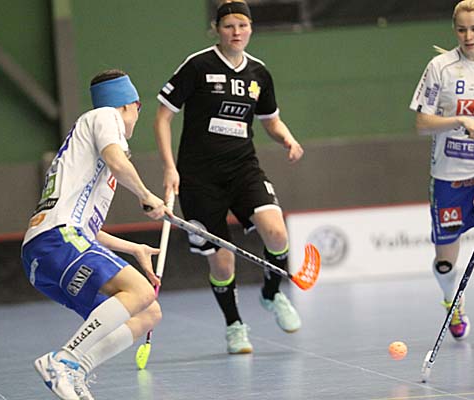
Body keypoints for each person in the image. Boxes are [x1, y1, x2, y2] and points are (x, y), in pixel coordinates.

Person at [154, 0, 305, 354]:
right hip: (199, 177)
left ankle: (272, 294)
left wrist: (287, 138)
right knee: (222, 261)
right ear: (216, 30)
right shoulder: (198, 65)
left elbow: (270, 120)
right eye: (228, 26)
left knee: (276, 232)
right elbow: (162, 116)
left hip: (243, 169)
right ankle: (235, 325)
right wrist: (169, 167)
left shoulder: (259, 73)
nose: (236, 33)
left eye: (243, 26)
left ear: (251, 28)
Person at [22, 69, 169, 400]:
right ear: (130, 105)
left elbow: (89, 230)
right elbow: (117, 161)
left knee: (149, 312)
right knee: (141, 291)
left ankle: (77, 368)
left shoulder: (85, 154)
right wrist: (146, 195)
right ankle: (63, 360)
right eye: (138, 109)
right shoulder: (105, 117)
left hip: (45, 254)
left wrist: (134, 248)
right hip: (58, 239)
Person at [409, 0, 474, 341]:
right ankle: (453, 300)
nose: (468, 36)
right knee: (446, 263)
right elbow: (422, 123)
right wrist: (459, 120)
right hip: (451, 176)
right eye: (462, 29)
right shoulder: (441, 67)